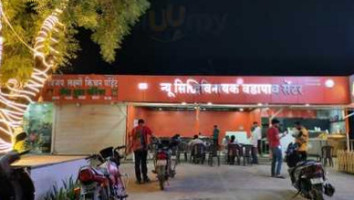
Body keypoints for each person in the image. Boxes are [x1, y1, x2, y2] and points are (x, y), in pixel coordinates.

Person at [128, 119, 153, 184]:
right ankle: (145, 178)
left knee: (137, 164)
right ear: (142, 123)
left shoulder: (134, 129)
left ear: (138, 123)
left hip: (136, 149)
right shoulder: (145, 128)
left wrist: (129, 148)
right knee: (143, 164)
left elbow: (131, 138)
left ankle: (138, 180)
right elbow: (151, 134)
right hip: (143, 149)